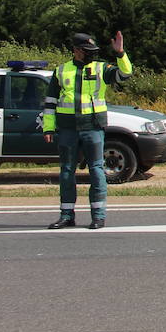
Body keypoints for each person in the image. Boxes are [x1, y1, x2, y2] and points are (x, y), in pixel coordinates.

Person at [42, 31, 132, 229]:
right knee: (66, 171)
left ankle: (98, 216)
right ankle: (67, 215)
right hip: (68, 128)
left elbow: (125, 74)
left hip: (93, 127)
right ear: (75, 50)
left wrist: (120, 53)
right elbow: (50, 102)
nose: (91, 54)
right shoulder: (61, 71)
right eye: (86, 51)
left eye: (93, 51)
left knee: (96, 170)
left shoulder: (101, 68)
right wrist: (48, 128)